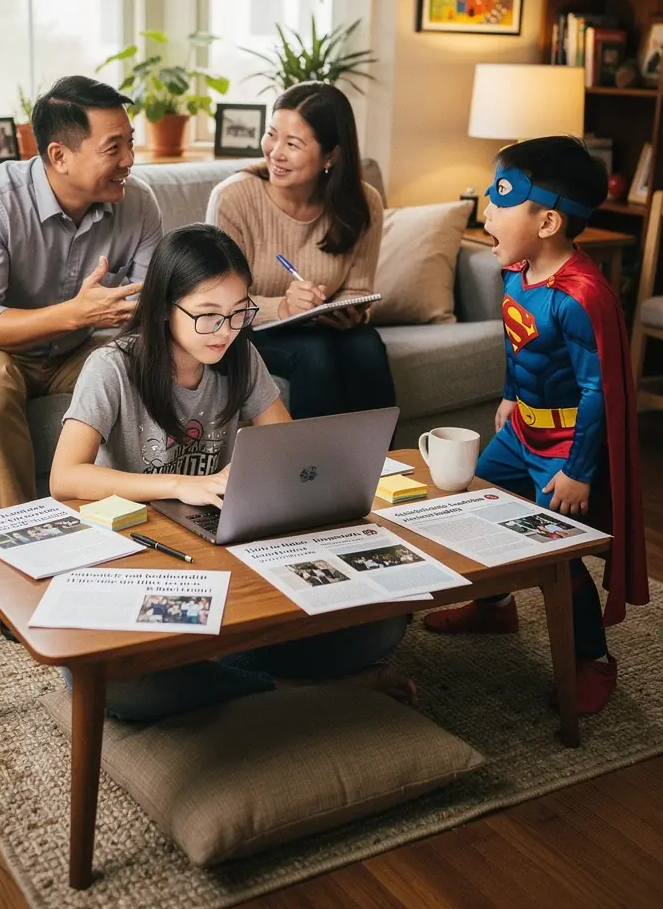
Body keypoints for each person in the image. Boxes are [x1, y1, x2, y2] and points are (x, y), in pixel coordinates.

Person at [50, 223, 412, 721]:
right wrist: (180, 485)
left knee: (384, 625)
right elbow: (65, 476)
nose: (226, 331)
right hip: (151, 558)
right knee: (112, 680)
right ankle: (300, 685)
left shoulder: (241, 357)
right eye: (207, 317)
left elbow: (287, 448)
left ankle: (231, 670)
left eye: (239, 313)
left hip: (228, 554)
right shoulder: (111, 368)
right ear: (161, 309)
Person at [422, 137, 648, 715]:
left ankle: (593, 660)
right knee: (474, 505)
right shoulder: (518, 272)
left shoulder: (581, 297)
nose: (488, 211)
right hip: (521, 427)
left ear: (547, 220)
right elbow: (517, 344)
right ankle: (495, 608)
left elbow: (600, 390)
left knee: (555, 553)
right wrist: (507, 396)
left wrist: (577, 470)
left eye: (502, 197)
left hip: (565, 446)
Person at [0, 76, 162, 510]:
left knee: (147, 362)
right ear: (59, 155)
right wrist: (76, 313)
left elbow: (146, 310)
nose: (129, 160)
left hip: (71, 352)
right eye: (113, 148)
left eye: (130, 142)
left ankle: (141, 525)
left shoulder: (138, 203)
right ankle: (24, 536)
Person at [206, 81, 396, 421]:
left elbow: (358, 286)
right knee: (314, 352)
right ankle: (312, 472)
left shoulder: (364, 202)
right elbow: (215, 304)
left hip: (320, 327)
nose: (275, 152)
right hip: (243, 332)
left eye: (292, 144)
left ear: (331, 156)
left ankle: (384, 468)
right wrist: (282, 307)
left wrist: (350, 311)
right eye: (271, 135)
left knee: (366, 345)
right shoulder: (234, 199)